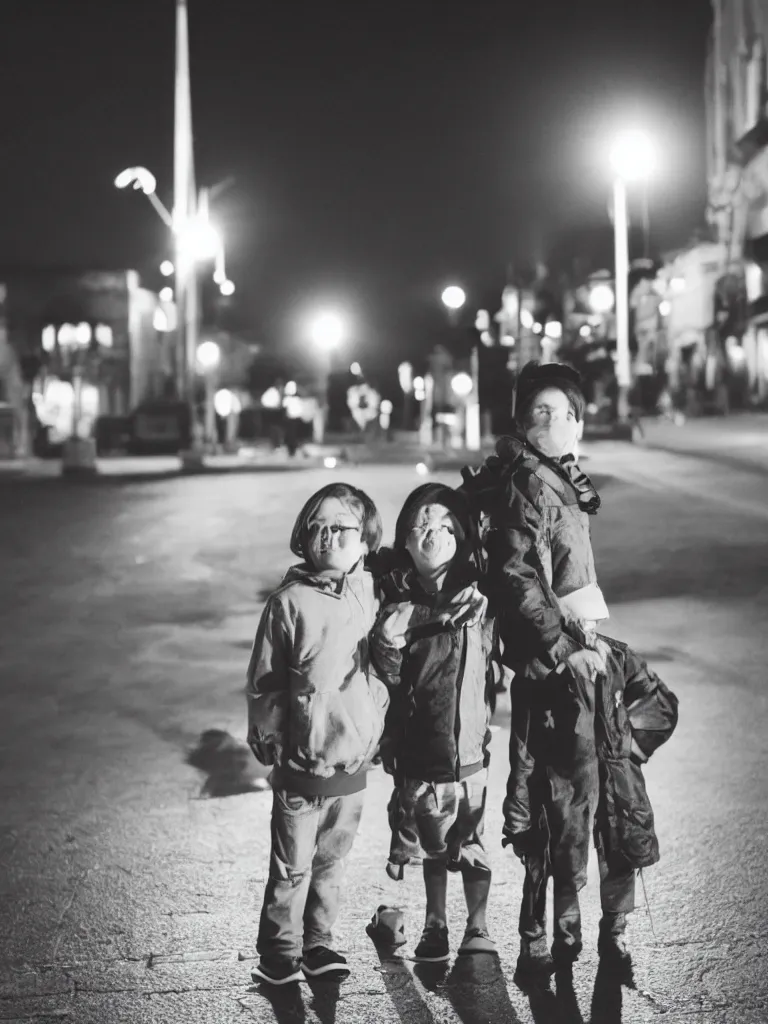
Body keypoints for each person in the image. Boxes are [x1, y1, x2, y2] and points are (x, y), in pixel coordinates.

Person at [460, 361, 620, 973]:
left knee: (570, 791)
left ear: (580, 423)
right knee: (549, 793)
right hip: (549, 664)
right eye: (540, 412)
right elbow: (514, 573)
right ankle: (541, 931)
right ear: (524, 424)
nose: (552, 421)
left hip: (574, 652)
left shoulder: (562, 481)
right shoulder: (528, 482)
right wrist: (565, 647)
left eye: (564, 412)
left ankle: (559, 922)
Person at [246, 482, 389, 985]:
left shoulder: (374, 594)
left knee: (332, 861)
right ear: (303, 537)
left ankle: (319, 942)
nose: (328, 536)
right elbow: (265, 681)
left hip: (353, 763)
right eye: (318, 527)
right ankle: (279, 950)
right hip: (302, 762)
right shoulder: (288, 603)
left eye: (341, 527)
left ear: (365, 541)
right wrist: (271, 739)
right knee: (291, 865)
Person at [369, 483, 497, 963]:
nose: (434, 535)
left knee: (474, 841)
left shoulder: (480, 596)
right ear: (404, 537)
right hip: (420, 753)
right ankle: (435, 923)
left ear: (462, 538)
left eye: (446, 527)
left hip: (470, 753)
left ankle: (478, 925)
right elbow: (390, 680)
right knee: (432, 847)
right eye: (423, 526)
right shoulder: (394, 602)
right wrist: (388, 642)